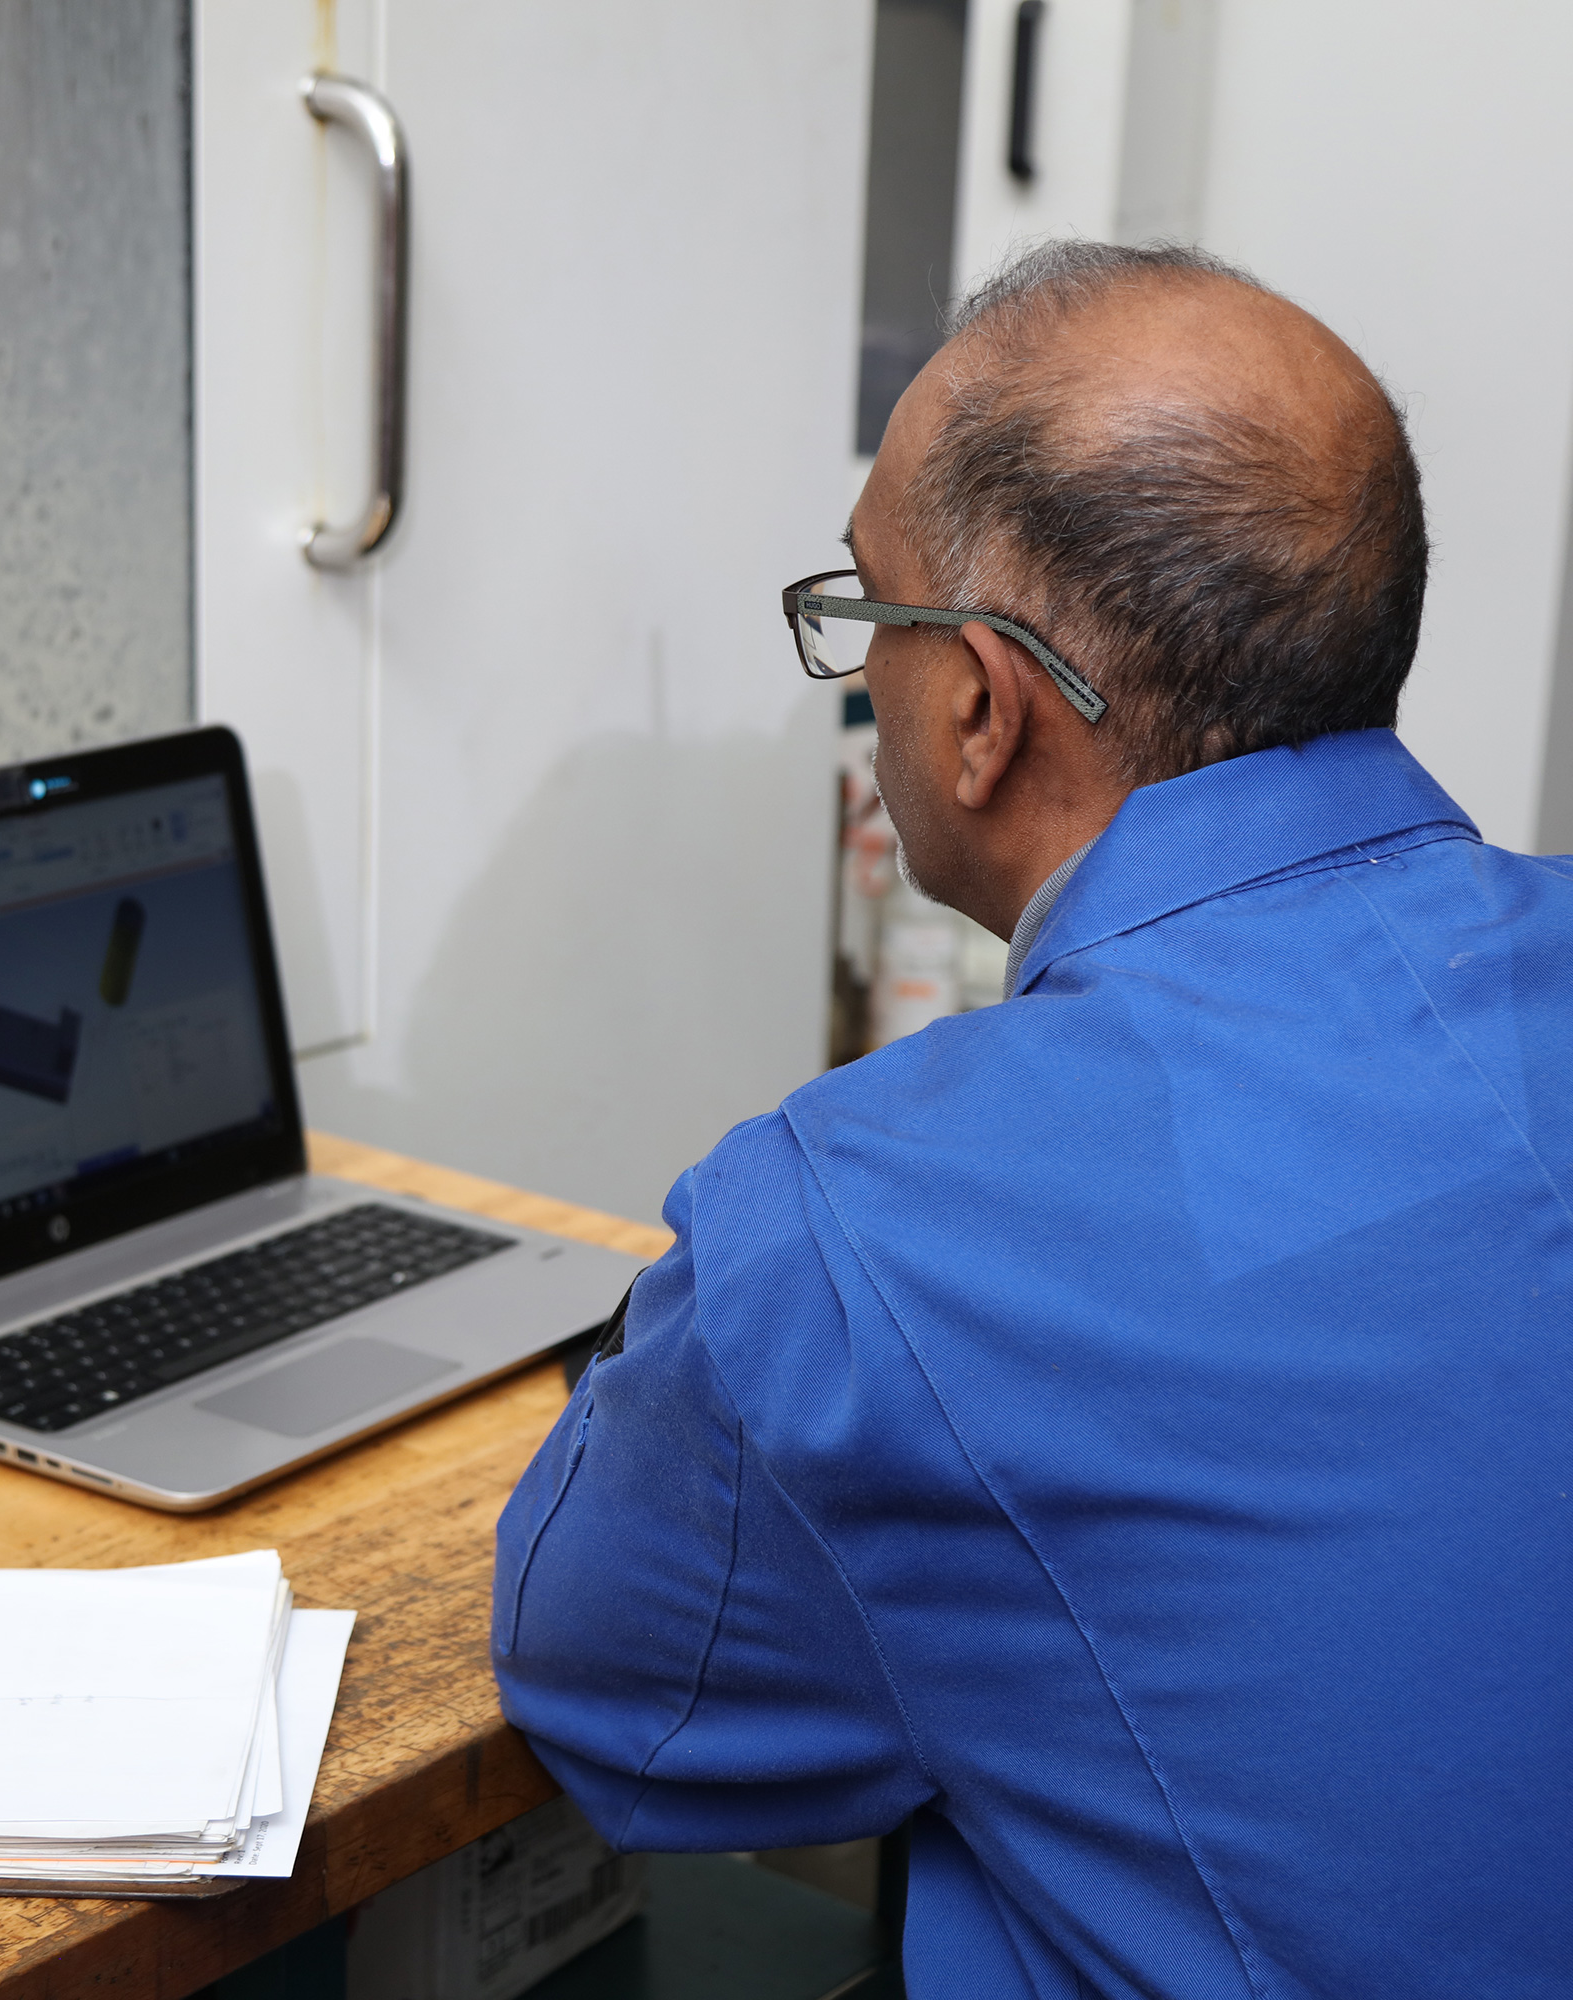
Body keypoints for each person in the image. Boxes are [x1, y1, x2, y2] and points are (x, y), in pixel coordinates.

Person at [492, 240, 1573, 2000]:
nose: (861, 681)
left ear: (984, 708)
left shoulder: (865, 1236)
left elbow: (617, 1690)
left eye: (866, 618)